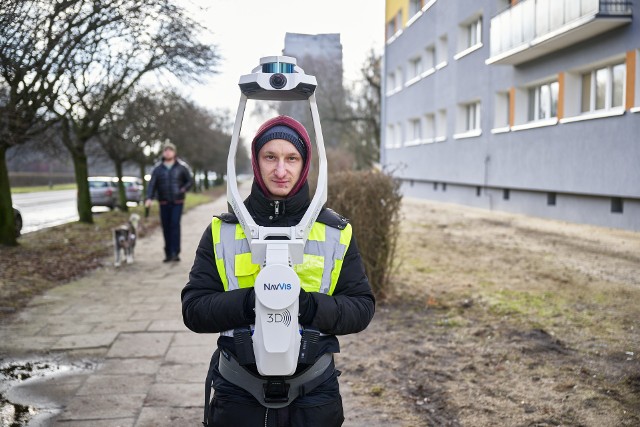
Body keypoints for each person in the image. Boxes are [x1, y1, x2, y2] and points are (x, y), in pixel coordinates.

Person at [182, 115, 375, 427]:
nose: (281, 170)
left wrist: (308, 306)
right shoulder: (223, 231)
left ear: (305, 163)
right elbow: (194, 310)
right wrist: (251, 303)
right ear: (256, 161)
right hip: (238, 397)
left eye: (291, 158)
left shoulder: (336, 232)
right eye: (270, 157)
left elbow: (361, 308)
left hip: (313, 398)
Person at [145, 142, 193, 262]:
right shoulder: (157, 169)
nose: (168, 152)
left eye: (170, 150)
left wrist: (182, 189)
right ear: (163, 153)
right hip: (164, 202)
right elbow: (152, 185)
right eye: (165, 150)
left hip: (177, 202)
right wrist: (149, 198)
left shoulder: (182, 167)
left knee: (175, 225)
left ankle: (175, 253)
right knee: (166, 227)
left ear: (174, 152)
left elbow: (190, 181)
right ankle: (167, 253)